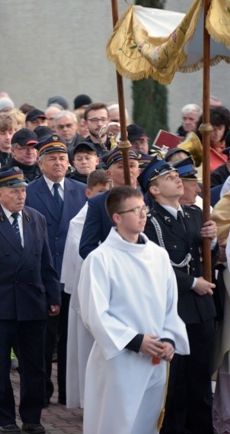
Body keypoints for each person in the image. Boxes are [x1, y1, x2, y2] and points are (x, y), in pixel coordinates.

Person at [78, 185, 189, 434]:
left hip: (155, 359)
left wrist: (170, 338)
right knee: (116, 425)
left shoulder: (158, 256)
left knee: (147, 425)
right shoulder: (101, 259)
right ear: (117, 218)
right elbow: (94, 314)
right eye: (135, 210)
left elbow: (170, 307)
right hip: (119, 360)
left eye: (144, 208)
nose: (143, 215)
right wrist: (136, 341)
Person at [0, 166, 61, 434]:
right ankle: (5, 419)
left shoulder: (37, 218)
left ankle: (32, 419)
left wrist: (53, 296)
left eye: (23, 190)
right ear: (0, 194)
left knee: (34, 366)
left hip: (33, 303)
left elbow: (47, 262)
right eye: (15, 191)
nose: (21, 195)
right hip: (1, 307)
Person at [139, 157, 217, 433]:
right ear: (154, 190)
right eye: (169, 177)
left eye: (176, 176)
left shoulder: (196, 215)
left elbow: (206, 258)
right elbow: (153, 267)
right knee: (176, 386)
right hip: (174, 311)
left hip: (202, 310)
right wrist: (191, 282)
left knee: (201, 383)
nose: (177, 179)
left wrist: (213, 239)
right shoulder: (149, 223)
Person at [25, 135, 87, 407]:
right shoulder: (28, 191)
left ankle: (67, 391)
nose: (59, 163)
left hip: (73, 277)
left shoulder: (80, 190)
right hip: (42, 277)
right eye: (52, 158)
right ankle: (42, 391)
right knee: (41, 340)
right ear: (41, 164)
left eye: (62, 158)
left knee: (70, 340)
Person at [62, 169, 110, 409]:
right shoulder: (84, 216)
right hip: (91, 289)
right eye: (102, 191)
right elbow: (80, 253)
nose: (106, 195)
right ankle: (89, 399)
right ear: (89, 193)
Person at [79, 148, 140, 259]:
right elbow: (86, 247)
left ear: (138, 171)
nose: (128, 170)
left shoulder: (149, 199)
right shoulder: (98, 203)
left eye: (132, 166)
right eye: (121, 167)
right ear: (109, 174)